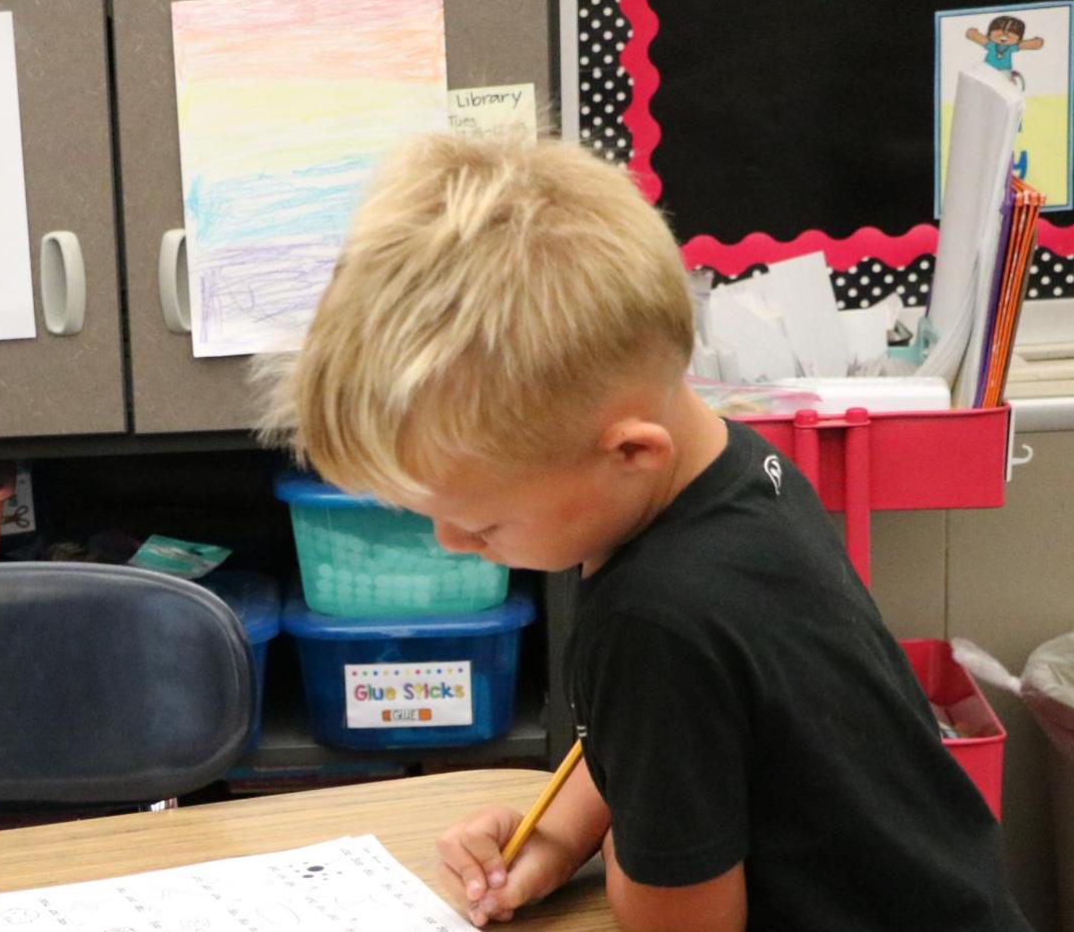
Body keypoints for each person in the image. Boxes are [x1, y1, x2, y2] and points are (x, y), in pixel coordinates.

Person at [261, 132, 1030, 931]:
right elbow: (671, 740)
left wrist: (631, 848)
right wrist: (556, 837)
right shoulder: (740, 470)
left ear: (630, 452)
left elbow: (679, 920)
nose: (454, 545)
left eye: (483, 523)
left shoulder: (654, 621)